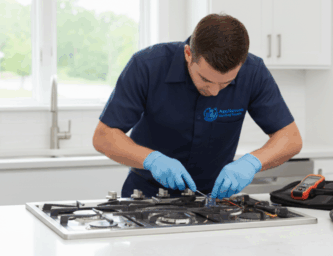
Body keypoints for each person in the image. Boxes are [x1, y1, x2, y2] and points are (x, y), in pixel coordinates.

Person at [92, 13, 302, 199]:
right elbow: (104, 136)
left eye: (226, 84)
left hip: (214, 200)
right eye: (206, 80)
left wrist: (252, 163)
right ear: (188, 54)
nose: (215, 92)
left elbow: (290, 138)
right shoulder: (146, 66)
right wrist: (151, 160)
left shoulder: (254, 72)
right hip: (147, 195)